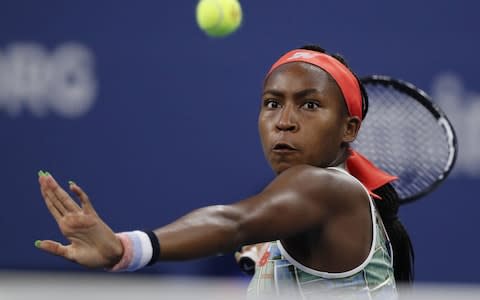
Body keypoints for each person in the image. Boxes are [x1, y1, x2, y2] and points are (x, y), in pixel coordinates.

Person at [36, 45, 414, 299]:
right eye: (272, 103)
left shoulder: (327, 187)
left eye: (309, 105)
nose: (284, 121)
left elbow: (235, 222)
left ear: (349, 128)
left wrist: (127, 248)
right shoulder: (313, 209)